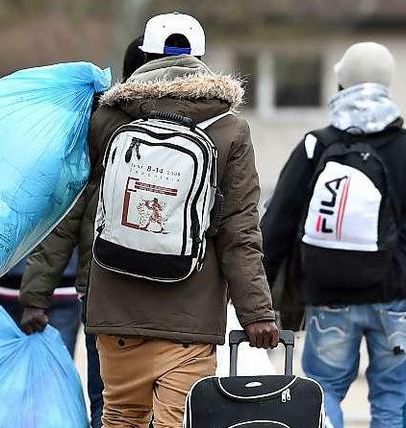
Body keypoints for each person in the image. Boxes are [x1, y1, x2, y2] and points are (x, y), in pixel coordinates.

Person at [22, 13, 279, 427]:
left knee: (121, 417)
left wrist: (35, 294)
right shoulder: (229, 129)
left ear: (145, 54)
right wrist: (257, 314)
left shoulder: (106, 119)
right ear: (200, 57)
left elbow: (65, 208)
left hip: (115, 308)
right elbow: (239, 231)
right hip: (190, 316)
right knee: (176, 421)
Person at [260, 42, 406, 428]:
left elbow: (277, 224)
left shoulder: (315, 145)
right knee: (390, 400)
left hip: (328, 294)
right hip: (395, 298)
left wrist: (259, 293)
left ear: (340, 83)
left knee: (325, 391)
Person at [17, 35, 148, 428]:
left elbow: (64, 218)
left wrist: (34, 296)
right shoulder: (204, 123)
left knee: (107, 402)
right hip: (177, 297)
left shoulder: (101, 125)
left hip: (105, 292)